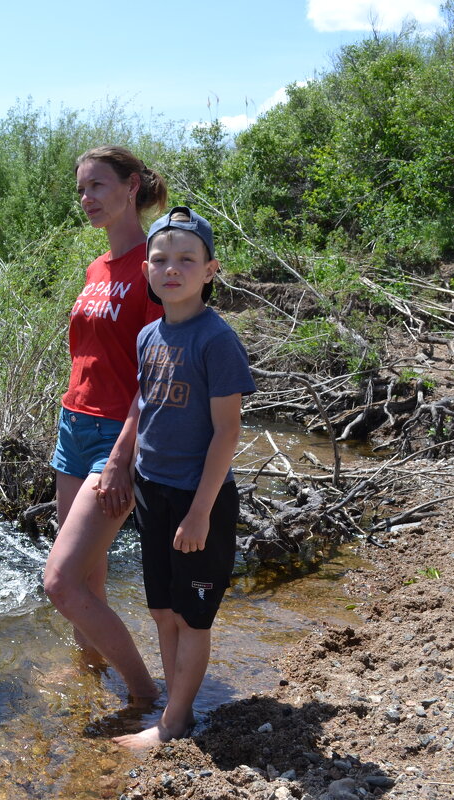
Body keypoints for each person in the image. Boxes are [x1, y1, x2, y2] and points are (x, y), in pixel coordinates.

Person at [113, 207, 256, 750]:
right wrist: (123, 462)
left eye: (186, 260)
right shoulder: (149, 334)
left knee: (193, 618)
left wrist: (200, 511)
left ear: (210, 270)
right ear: (147, 269)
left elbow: (227, 431)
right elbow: (145, 405)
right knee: (162, 609)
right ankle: (178, 706)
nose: (172, 269)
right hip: (154, 489)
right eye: (161, 259)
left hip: (201, 500)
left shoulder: (215, 340)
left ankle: (173, 724)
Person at [43, 146, 167, 703]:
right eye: (82, 189)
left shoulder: (156, 267)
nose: (87, 198)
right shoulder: (97, 268)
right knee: (88, 580)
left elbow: (156, 376)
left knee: (61, 582)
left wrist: (121, 458)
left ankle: (146, 697)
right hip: (75, 426)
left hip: (119, 437)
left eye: (97, 185)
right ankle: (86, 675)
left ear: (131, 185)